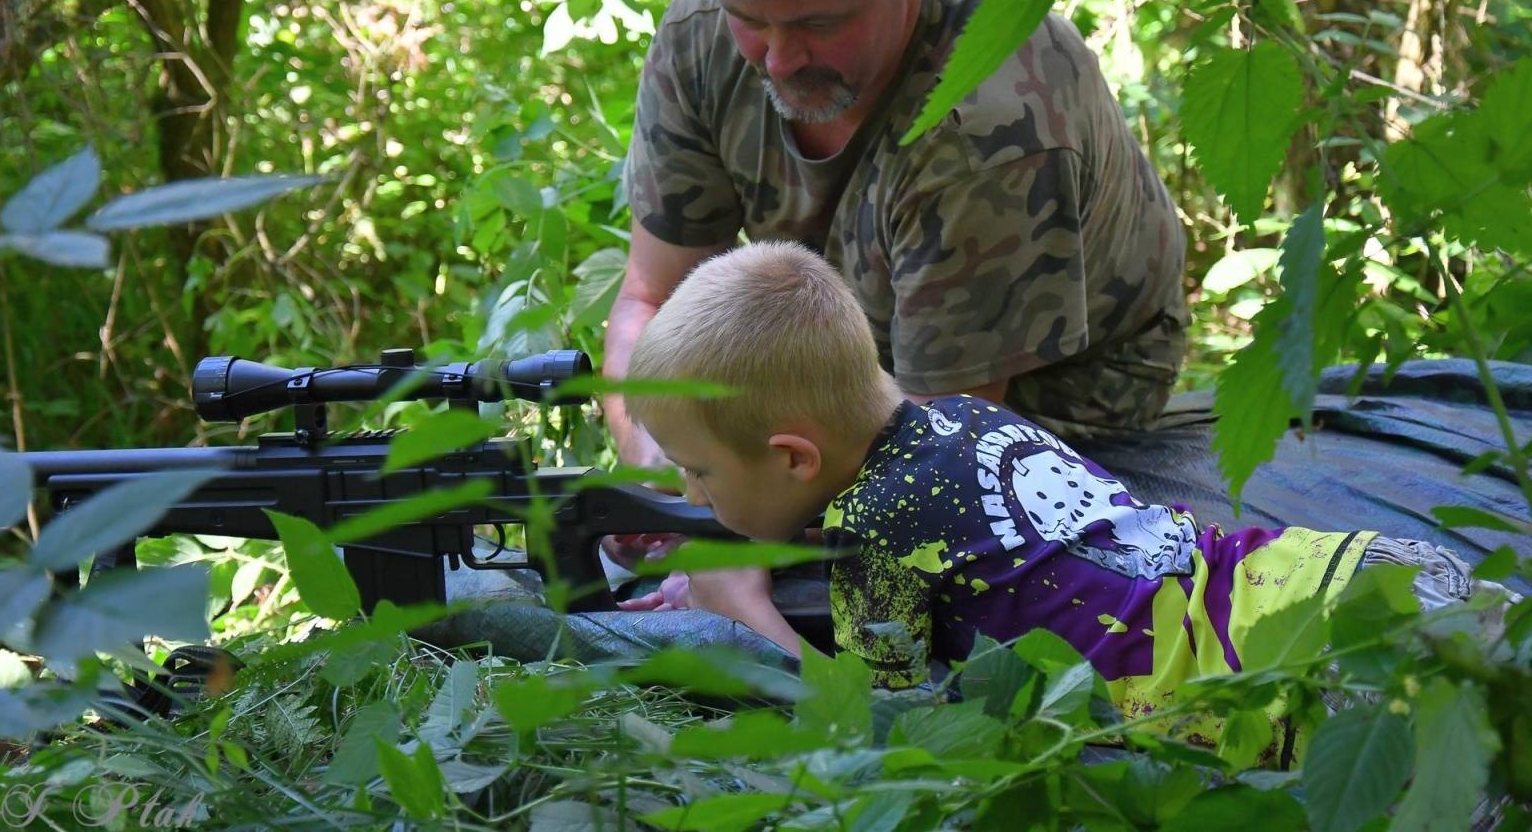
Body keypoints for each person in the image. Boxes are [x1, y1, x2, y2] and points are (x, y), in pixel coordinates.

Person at [618, 241, 1515, 764]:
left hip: (1262, 686)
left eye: (697, 473)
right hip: (1324, 576)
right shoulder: (964, 418)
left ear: (791, 457)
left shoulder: (873, 535)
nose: (692, 492)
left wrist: (741, 606)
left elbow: (871, 724)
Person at [604, 0, 1189, 488]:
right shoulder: (702, 39)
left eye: (819, 24)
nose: (779, 59)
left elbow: (948, 446)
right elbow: (652, 297)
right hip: (842, 371)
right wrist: (660, 466)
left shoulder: (994, 117)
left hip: (1049, 400)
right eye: (750, 20)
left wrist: (733, 523)